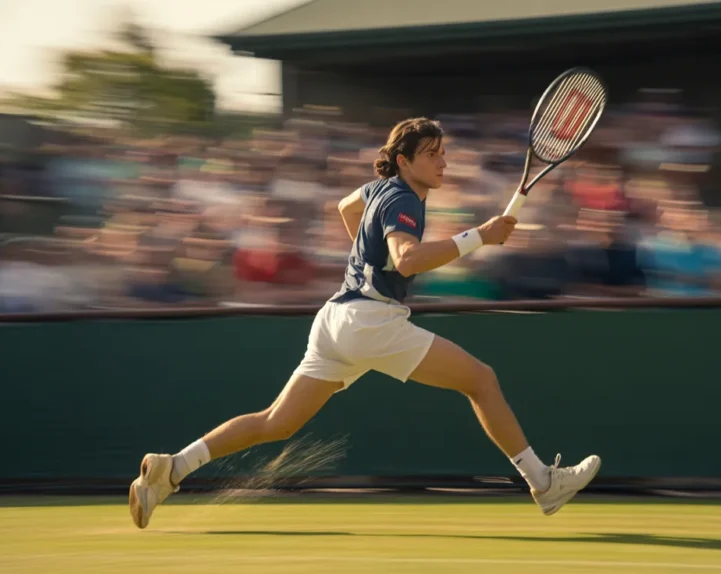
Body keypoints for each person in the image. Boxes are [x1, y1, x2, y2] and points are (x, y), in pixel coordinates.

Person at [129, 118, 601, 529]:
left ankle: (172, 468)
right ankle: (543, 483)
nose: (442, 163)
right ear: (402, 160)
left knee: (275, 422)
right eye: (431, 155)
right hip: (370, 322)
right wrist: (479, 236)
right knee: (482, 380)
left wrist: (367, 255)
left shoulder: (378, 189)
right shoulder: (406, 200)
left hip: (334, 319)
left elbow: (345, 208)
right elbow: (409, 259)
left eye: (444, 153)